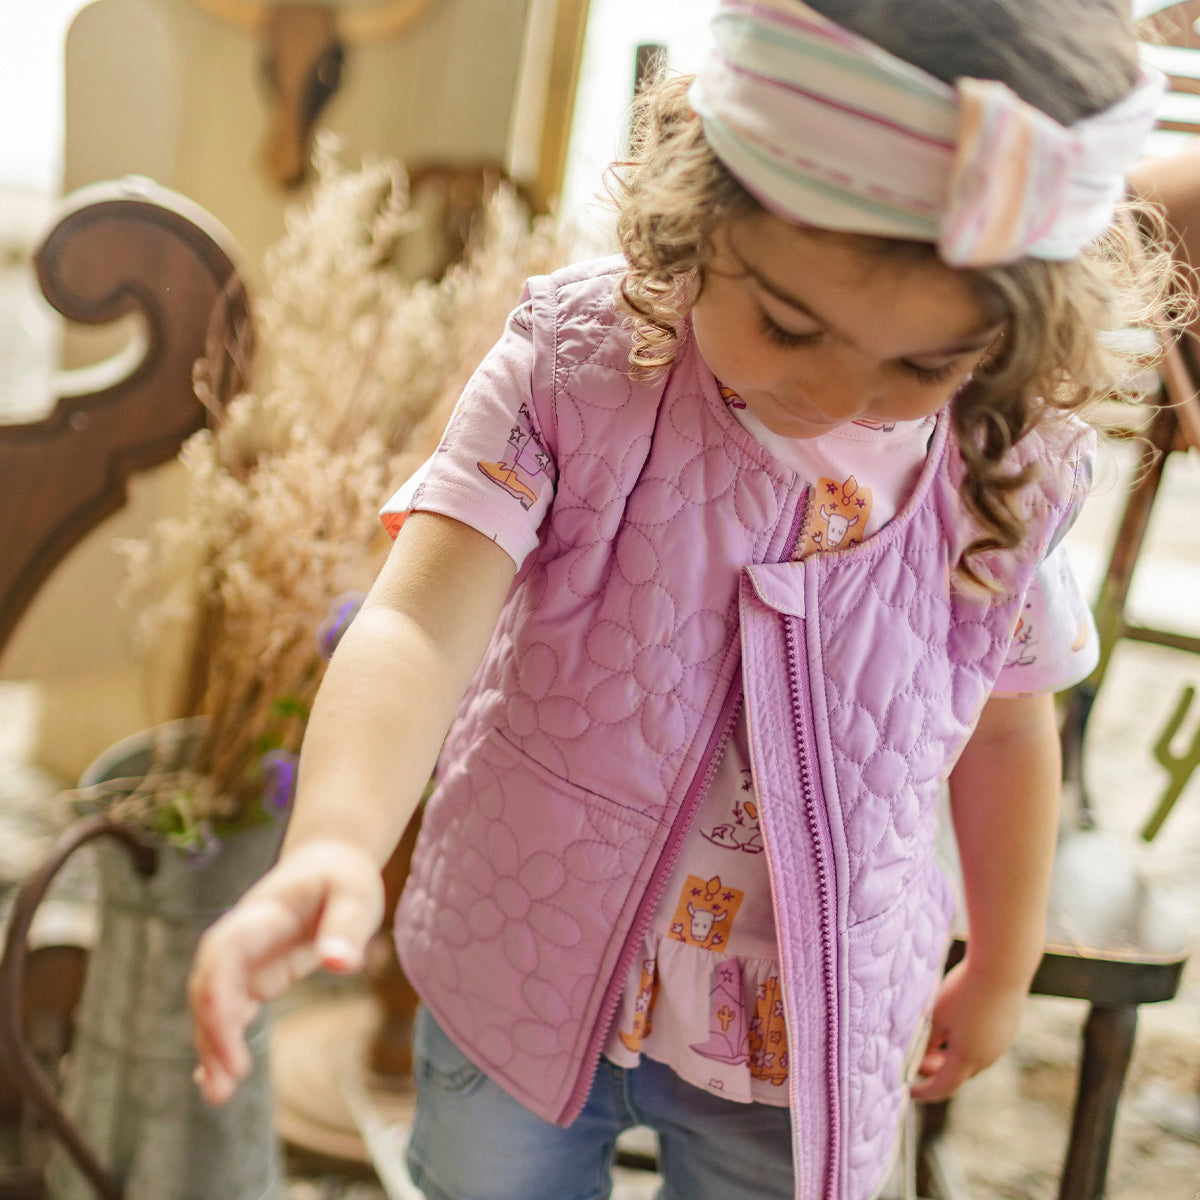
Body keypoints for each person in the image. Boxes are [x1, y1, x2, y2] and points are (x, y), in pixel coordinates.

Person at [189, 2, 1173, 1197]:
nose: (838, 390)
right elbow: (415, 616)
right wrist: (334, 839)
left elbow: (1011, 731)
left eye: (924, 363)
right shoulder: (579, 368)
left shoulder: (1008, 467)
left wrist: (1004, 962)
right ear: (700, 214)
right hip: (525, 957)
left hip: (804, 1037)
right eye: (789, 323)